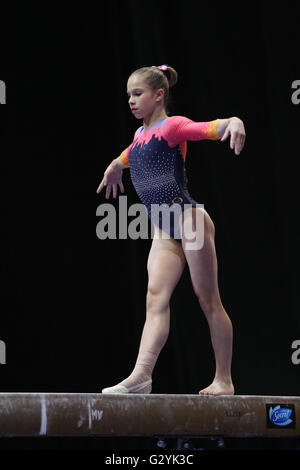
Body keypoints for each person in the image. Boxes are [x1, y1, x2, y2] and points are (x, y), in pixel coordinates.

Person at [96, 64, 246, 395]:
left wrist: (233, 123)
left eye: (137, 94)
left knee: (207, 299)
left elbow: (208, 128)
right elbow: (129, 156)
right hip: (164, 227)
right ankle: (142, 375)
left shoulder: (173, 127)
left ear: (158, 95)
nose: (131, 102)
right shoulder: (138, 135)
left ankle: (224, 379)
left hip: (188, 219)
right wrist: (113, 168)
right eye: (128, 96)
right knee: (154, 298)